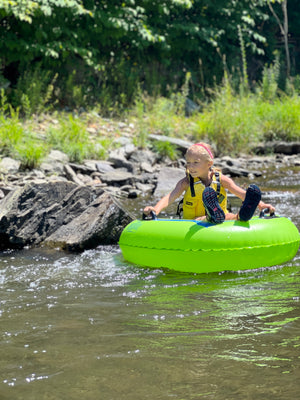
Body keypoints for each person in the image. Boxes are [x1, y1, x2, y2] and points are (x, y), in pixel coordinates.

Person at [143, 142, 275, 223]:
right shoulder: (186, 182)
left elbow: (242, 193)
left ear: (209, 164)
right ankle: (212, 217)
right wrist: (155, 209)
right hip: (193, 223)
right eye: (188, 163)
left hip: (221, 217)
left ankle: (243, 215)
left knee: (230, 216)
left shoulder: (221, 179)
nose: (191, 167)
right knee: (205, 219)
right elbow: (170, 197)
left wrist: (261, 205)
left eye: (195, 163)